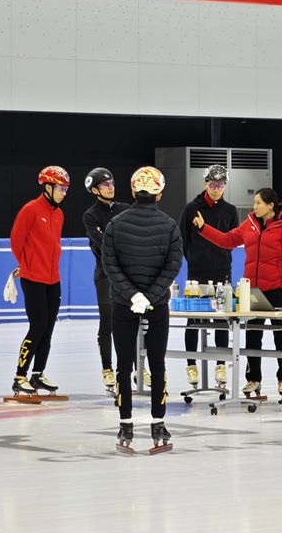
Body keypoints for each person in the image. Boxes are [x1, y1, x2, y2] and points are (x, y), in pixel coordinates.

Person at [102, 166, 182, 452]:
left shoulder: (115, 224)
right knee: (157, 364)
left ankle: (125, 424)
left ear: (134, 191)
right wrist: (150, 296)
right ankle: (158, 423)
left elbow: (109, 265)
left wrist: (132, 295)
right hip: (157, 305)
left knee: (124, 366)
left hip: (124, 304)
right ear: (160, 193)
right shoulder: (171, 225)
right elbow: (173, 266)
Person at [195, 187, 282, 397]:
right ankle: (253, 379)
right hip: (252, 291)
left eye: (258, 203)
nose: (254, 207)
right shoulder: (250, 224)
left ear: (270, 205)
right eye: (254, 203)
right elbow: (227, 240)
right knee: (253, 336)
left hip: (277, 291)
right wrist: (203, 228)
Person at [9, 166, 69, 395]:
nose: (64, 193)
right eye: (61, 188)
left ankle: (37, 375)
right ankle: (20, 375)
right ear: (47, 187)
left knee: (48, 328)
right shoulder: (30, 210)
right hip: (33, 277)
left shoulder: (59, 214)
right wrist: (27, 265)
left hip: (53, 279)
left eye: (66, 189)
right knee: (38, 326)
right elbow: (16, 241)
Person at [179, 164, 239, 388]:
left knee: (222, 319)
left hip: (223, 273)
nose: (216, 189)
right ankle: (191, 364)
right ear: (205, 184)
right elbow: (184, 240)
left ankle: (221, 364)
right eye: (213, 184)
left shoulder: (231, 210)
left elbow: (232, 240)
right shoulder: (191, 209)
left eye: (220, 185)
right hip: (197, 274)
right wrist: (195, 260)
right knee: (194, 320)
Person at [82, 167, 131, 394]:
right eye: (104, 185)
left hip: (130, 275)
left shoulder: (125, 209)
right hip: (106, 275)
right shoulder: (90, 216)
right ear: (94, 190)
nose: (110, 187)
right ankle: (107, 368)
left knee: (136, 323)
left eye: (111, 183)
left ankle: (138, 368)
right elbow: (103, 245)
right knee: (108, 323)